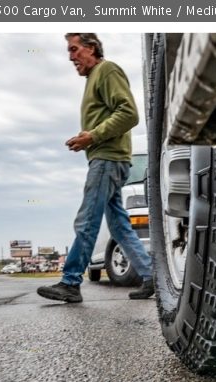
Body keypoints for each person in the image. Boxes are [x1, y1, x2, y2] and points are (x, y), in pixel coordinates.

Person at [38, 33, 154, 303]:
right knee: (119, 227)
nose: (71, 57)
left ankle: (70, 282)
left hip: (107, 160)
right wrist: (88, 138)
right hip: (108, 159)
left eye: (74, 49)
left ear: (91, 48)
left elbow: (129, 113)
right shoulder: (94, 78)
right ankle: (150, 276)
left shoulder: (106, 70)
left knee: (87, 219)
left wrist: (92, 136)